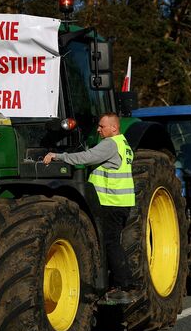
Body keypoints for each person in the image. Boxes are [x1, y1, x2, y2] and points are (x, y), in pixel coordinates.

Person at [43, 113, 139, 303]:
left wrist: (58, 156)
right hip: (121, 202)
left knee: (110, 243)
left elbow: (87, 157)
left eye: (102, 126)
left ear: (114, 128)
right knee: (113, 243)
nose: (98, 129)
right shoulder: (123, 144)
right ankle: (120, 284)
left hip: (111, 202)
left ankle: (124, 285)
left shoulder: (110, 144)